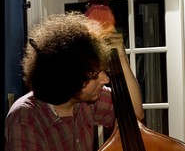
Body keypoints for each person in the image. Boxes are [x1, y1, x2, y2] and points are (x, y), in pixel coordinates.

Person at [5, 11, 144, 151]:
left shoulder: (86, 99)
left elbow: (134, 115)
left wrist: (121, 58)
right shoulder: (24, 118)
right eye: (94, 75)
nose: (105, 79)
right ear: (70, 80)